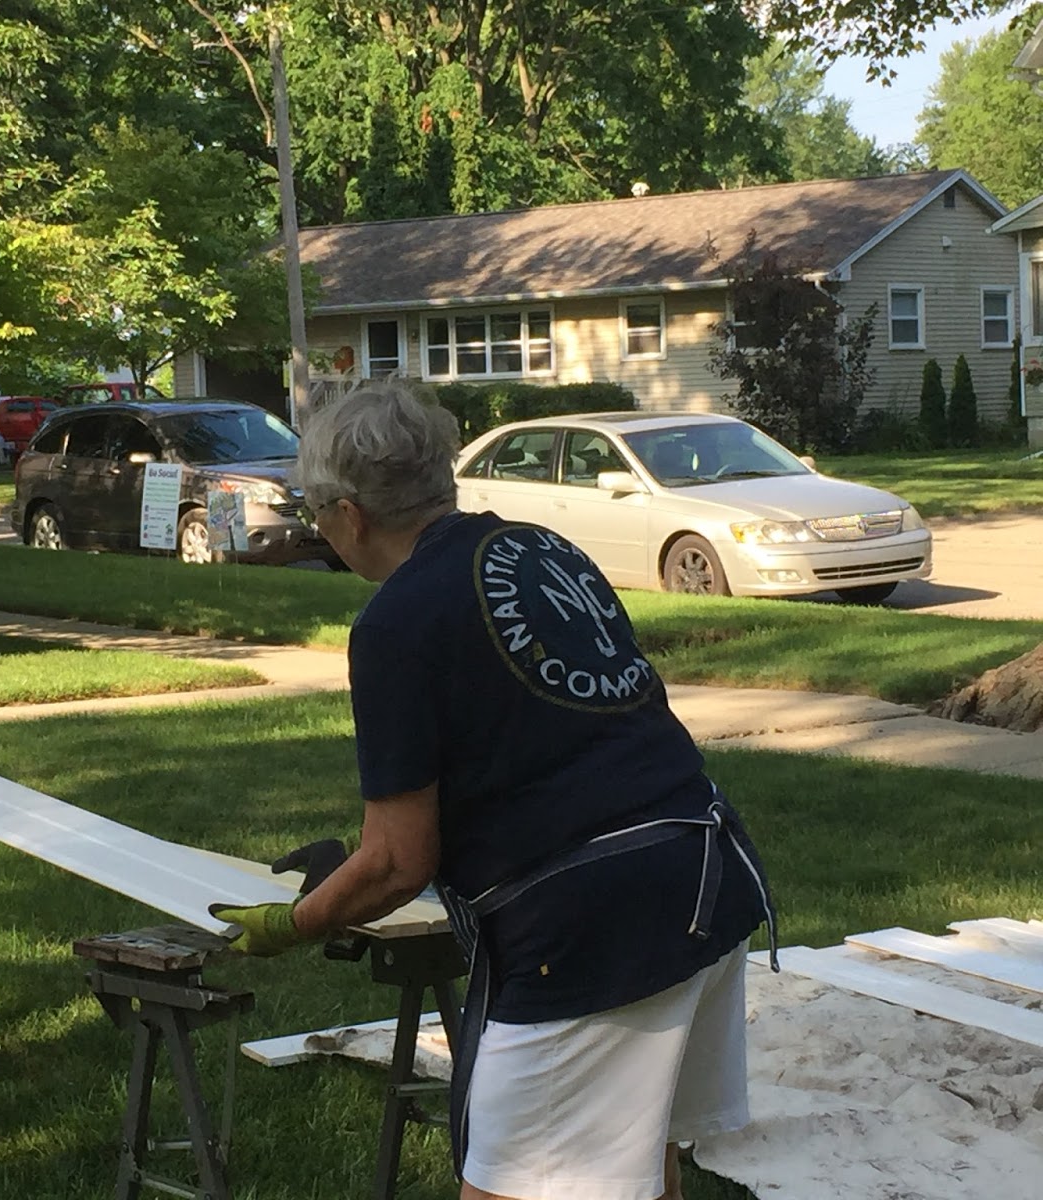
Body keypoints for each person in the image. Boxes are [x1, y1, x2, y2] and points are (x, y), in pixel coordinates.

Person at [209, 380, 776, 1200]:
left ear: (348, 515)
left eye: (314, 510)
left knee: (509, 1185)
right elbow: (552, 737)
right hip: (704, 869)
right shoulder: (540, 548)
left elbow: (400, 863)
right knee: (632, 1154)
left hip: (593, 927)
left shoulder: (395, 622)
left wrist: (293, 924)